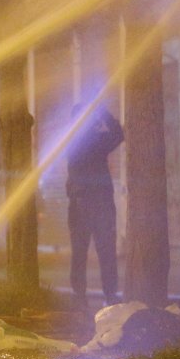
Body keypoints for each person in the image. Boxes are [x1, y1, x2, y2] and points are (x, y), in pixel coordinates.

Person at [65, 101, 124, 309]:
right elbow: (118, 134)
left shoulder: (71, 139)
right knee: (105, 253)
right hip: (99, 204)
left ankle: (80, 297)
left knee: (80, 253)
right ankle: (109, 295)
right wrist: (103, 113)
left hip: (80, 203)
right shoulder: (94, 140)